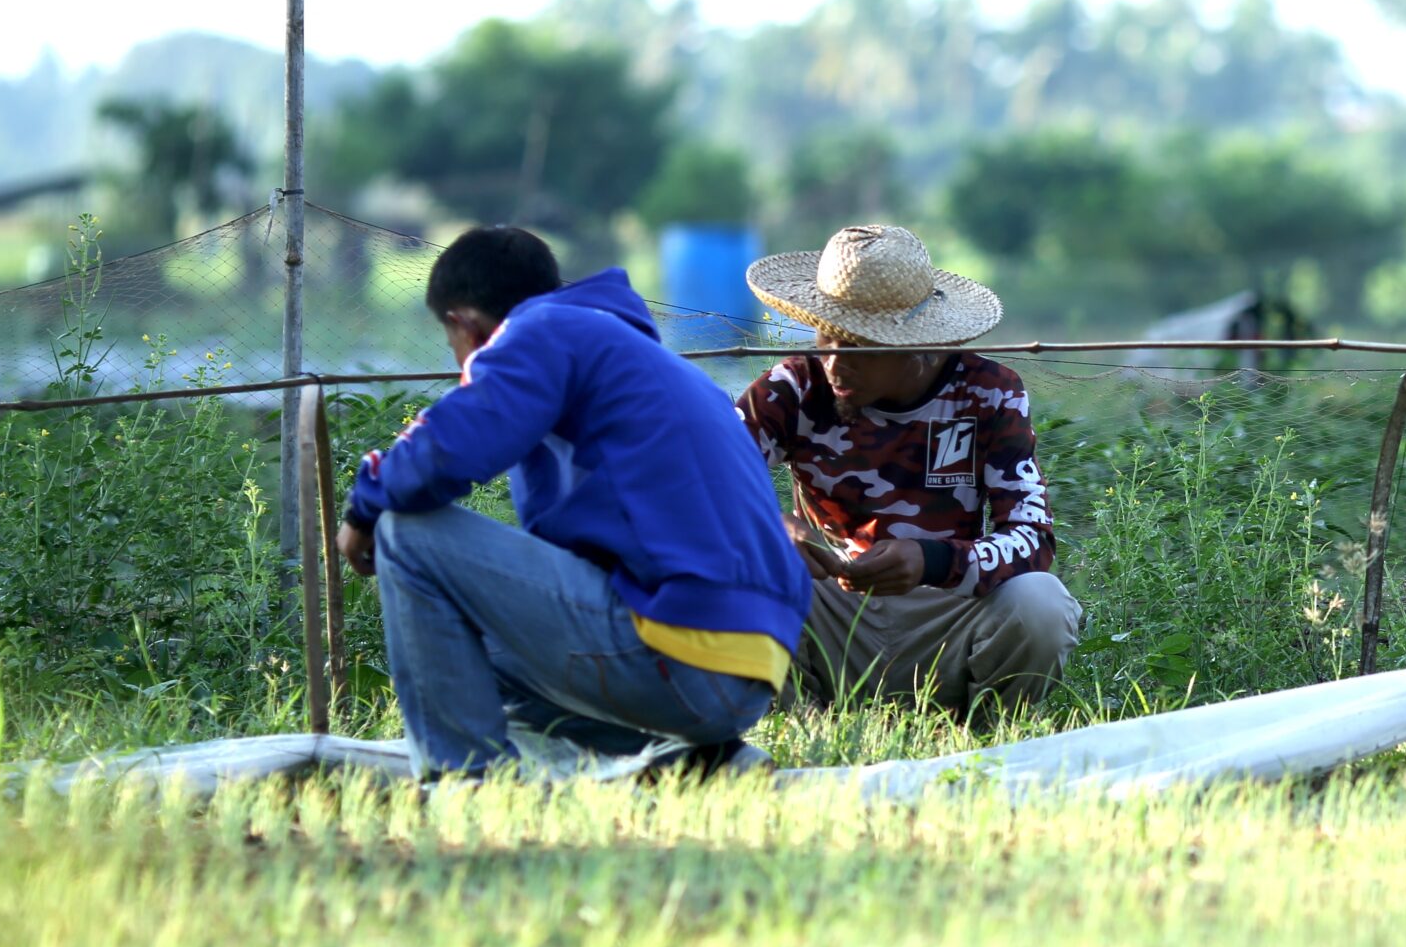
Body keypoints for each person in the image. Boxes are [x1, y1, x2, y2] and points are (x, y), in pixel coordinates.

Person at [336, 225, 809, 778]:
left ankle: (460, 781)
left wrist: (365, 505)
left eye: (453, 347)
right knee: (469, 648)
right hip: (744, 676)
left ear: (464, 323)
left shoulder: (543, 329)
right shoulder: (640, 357)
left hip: (680, 653)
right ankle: (703, 757)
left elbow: (452, 444)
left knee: (407, 532)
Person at [737, 223, 1081, 718]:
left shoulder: (989, 392)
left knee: (1040, 603)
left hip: (946, 614)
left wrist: (932, 560)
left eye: (857, 344)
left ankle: (983, 738)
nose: (835, 362)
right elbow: (704, 479)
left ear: (915, 345)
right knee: (733, 570)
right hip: (828, 610)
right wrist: (770, 528)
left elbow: (1032, 538)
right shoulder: (792, 387)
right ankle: (800, 729)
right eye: (825, 334)